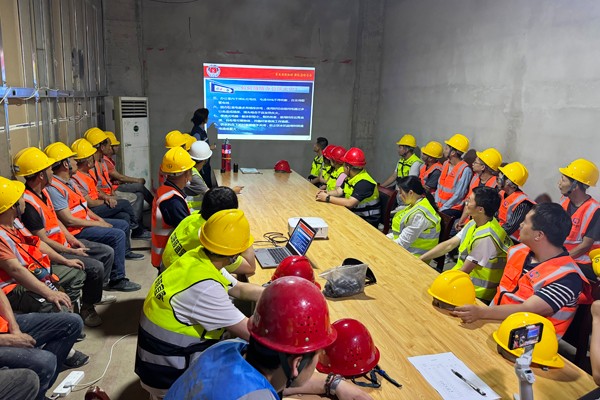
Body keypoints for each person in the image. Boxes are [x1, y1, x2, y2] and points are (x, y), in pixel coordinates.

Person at [165, 276, 372, 400]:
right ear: (297, 364)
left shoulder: (228, 347)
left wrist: (333, 384)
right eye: (317, 354)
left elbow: (276, 382)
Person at [136, 209, 264, 399]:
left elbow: (240, 289)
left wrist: (276, 291)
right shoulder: (205, 288)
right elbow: (253, 334)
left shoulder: (198, 258)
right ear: (235, 253)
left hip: (156, 360)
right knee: (252, 357)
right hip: (168, 374)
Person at [451, 203, 591, 339]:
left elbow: (527, 309)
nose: (520, 225)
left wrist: (481, 312)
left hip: (526, 342)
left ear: (539, 235)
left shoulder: (567, 278)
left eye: (525, 222)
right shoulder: (518, 251)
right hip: (492, 321)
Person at [14, 147, 116, 327]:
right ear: (40, 175)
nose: (51, 172)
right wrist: (71, 252)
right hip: (52, 252)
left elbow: (56, 220)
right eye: (49, 169)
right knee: (94, 267)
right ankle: (86, 308)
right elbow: (42, 240)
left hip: (64, 243)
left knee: (106, 252)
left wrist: (72, 240)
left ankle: (92, 296)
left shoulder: (44, 192)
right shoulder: (29, 205)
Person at [44, 145, 141, 292]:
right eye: (73, 159)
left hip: (84, 223)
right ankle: (117, 279)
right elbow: (69, 220)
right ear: (65, 164)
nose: (76, 162)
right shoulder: (54, 188)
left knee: (122, 222)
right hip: (76, 230)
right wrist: (99, 224)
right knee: (118, 234)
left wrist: (100, 220)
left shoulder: (69, 182)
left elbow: (84, 207)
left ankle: (119, 265)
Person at [421, 187, 511, 303]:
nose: (466, 203)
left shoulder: (487, 237)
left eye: (470, 200)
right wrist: (422, 258)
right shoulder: (475, 222)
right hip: (463, 280)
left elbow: (464, 271)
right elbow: (449, 245)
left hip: (476, 293)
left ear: (480, 209)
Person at [0, 288, 83, 400]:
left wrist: (15, 329)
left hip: (4, 326)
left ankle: (39, 394)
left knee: (73, 322)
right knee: (44, 361)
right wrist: (8, 340)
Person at [162, 187, 255, 275]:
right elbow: (250, 267)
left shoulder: (192, 217)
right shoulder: (211, 237)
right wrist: (242, 229)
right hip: (181, 277)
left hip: (167, 268)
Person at [83, 128, 149, 240]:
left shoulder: (100, 162)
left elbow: (97, 188)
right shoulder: (89, 169)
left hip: (106, 196)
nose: (111, 148)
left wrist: (108, 196)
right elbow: (90, 200)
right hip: (98, 204)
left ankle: (135, 229)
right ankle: (137, 229)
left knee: (125, 214)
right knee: (129, 200)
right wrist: (107, 199)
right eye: (110, 145)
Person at [69, 139, 141, 240]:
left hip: (98, 204)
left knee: (124, 216)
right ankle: (137, 228)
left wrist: (107, 198)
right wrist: (105, 202)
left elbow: (96, 189)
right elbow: (90, 203)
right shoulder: (76, 178)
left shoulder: (88, 172)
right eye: (92, 156)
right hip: (93, 209)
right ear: (87, 161)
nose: (94, 158)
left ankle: (128, 244)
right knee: (124, 203)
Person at [151, 147, 195, 270]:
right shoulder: (173, 201)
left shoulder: (166, 191)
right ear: (187, 173)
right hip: (169, 260)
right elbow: (187, 232)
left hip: (165, 256)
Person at [558, 158, 600, 280]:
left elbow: (585, 246)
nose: (559, 183)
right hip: (564, 256)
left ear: (575, 185)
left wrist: (559, 259)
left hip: (582, 262)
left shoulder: (595, 210)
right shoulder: (564, 201)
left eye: (563, 180)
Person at [316, 147, 381, 227]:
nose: (342, 167)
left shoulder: (364, 182)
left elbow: (350, 203)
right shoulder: (350, 177)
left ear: (347, 167)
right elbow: (338, 191)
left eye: (343, 165)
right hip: (354, 215)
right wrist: (326, 193)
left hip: (366, 221)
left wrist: (327, 198)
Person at [103, 131, 155, 216]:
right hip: (113, 189)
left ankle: (137, 221)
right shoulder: (105, 161)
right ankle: (155, 204)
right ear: (109, 147)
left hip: (113, 187)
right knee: (139, 186)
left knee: (139, 195)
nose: (118, 147)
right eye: (115, 145)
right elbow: (120, 177)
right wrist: (137, 180)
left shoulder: (108, 159)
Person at [387, 176, 441, 256]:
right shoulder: (414, 206)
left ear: (411, 193)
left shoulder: (419, 215)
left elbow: (402, 243)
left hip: (414, 257)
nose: (399, 196)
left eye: (401, 193)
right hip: (406, 251)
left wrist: (384, 246)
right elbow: (398, 235)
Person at [455, 148, 502, 229]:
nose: (472, 164)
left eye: (475, 162)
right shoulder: (475, 178)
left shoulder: (496, 186)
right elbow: (468, 203)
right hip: (469, 222)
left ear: (483, 167)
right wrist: (461, 222)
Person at [435, 133, 473, 219]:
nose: (444, 150)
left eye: (446, 148)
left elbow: (458, 195)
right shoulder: (446, 164)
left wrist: (443, 208)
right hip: (440, 205)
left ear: (452, 153)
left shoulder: (465, 170)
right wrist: (436, 203)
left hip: (453, 207)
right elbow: (439, 186)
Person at [497, 161, 535, 241]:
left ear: (509, 182)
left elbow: (510, 228)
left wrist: (491, 234)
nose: (498, 179)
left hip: (513, 242)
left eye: (502, 176)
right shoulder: (502, 193)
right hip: (501, 237)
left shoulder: (522, 203)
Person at [190, 108, 216, 188]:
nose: (208, 118)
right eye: (207, 117)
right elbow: (197, 148)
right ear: (203, 119)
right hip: (202, 166)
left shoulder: (201, 130)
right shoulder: (197, 132)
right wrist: (210, 147)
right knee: (206, 186)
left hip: (205, 164)